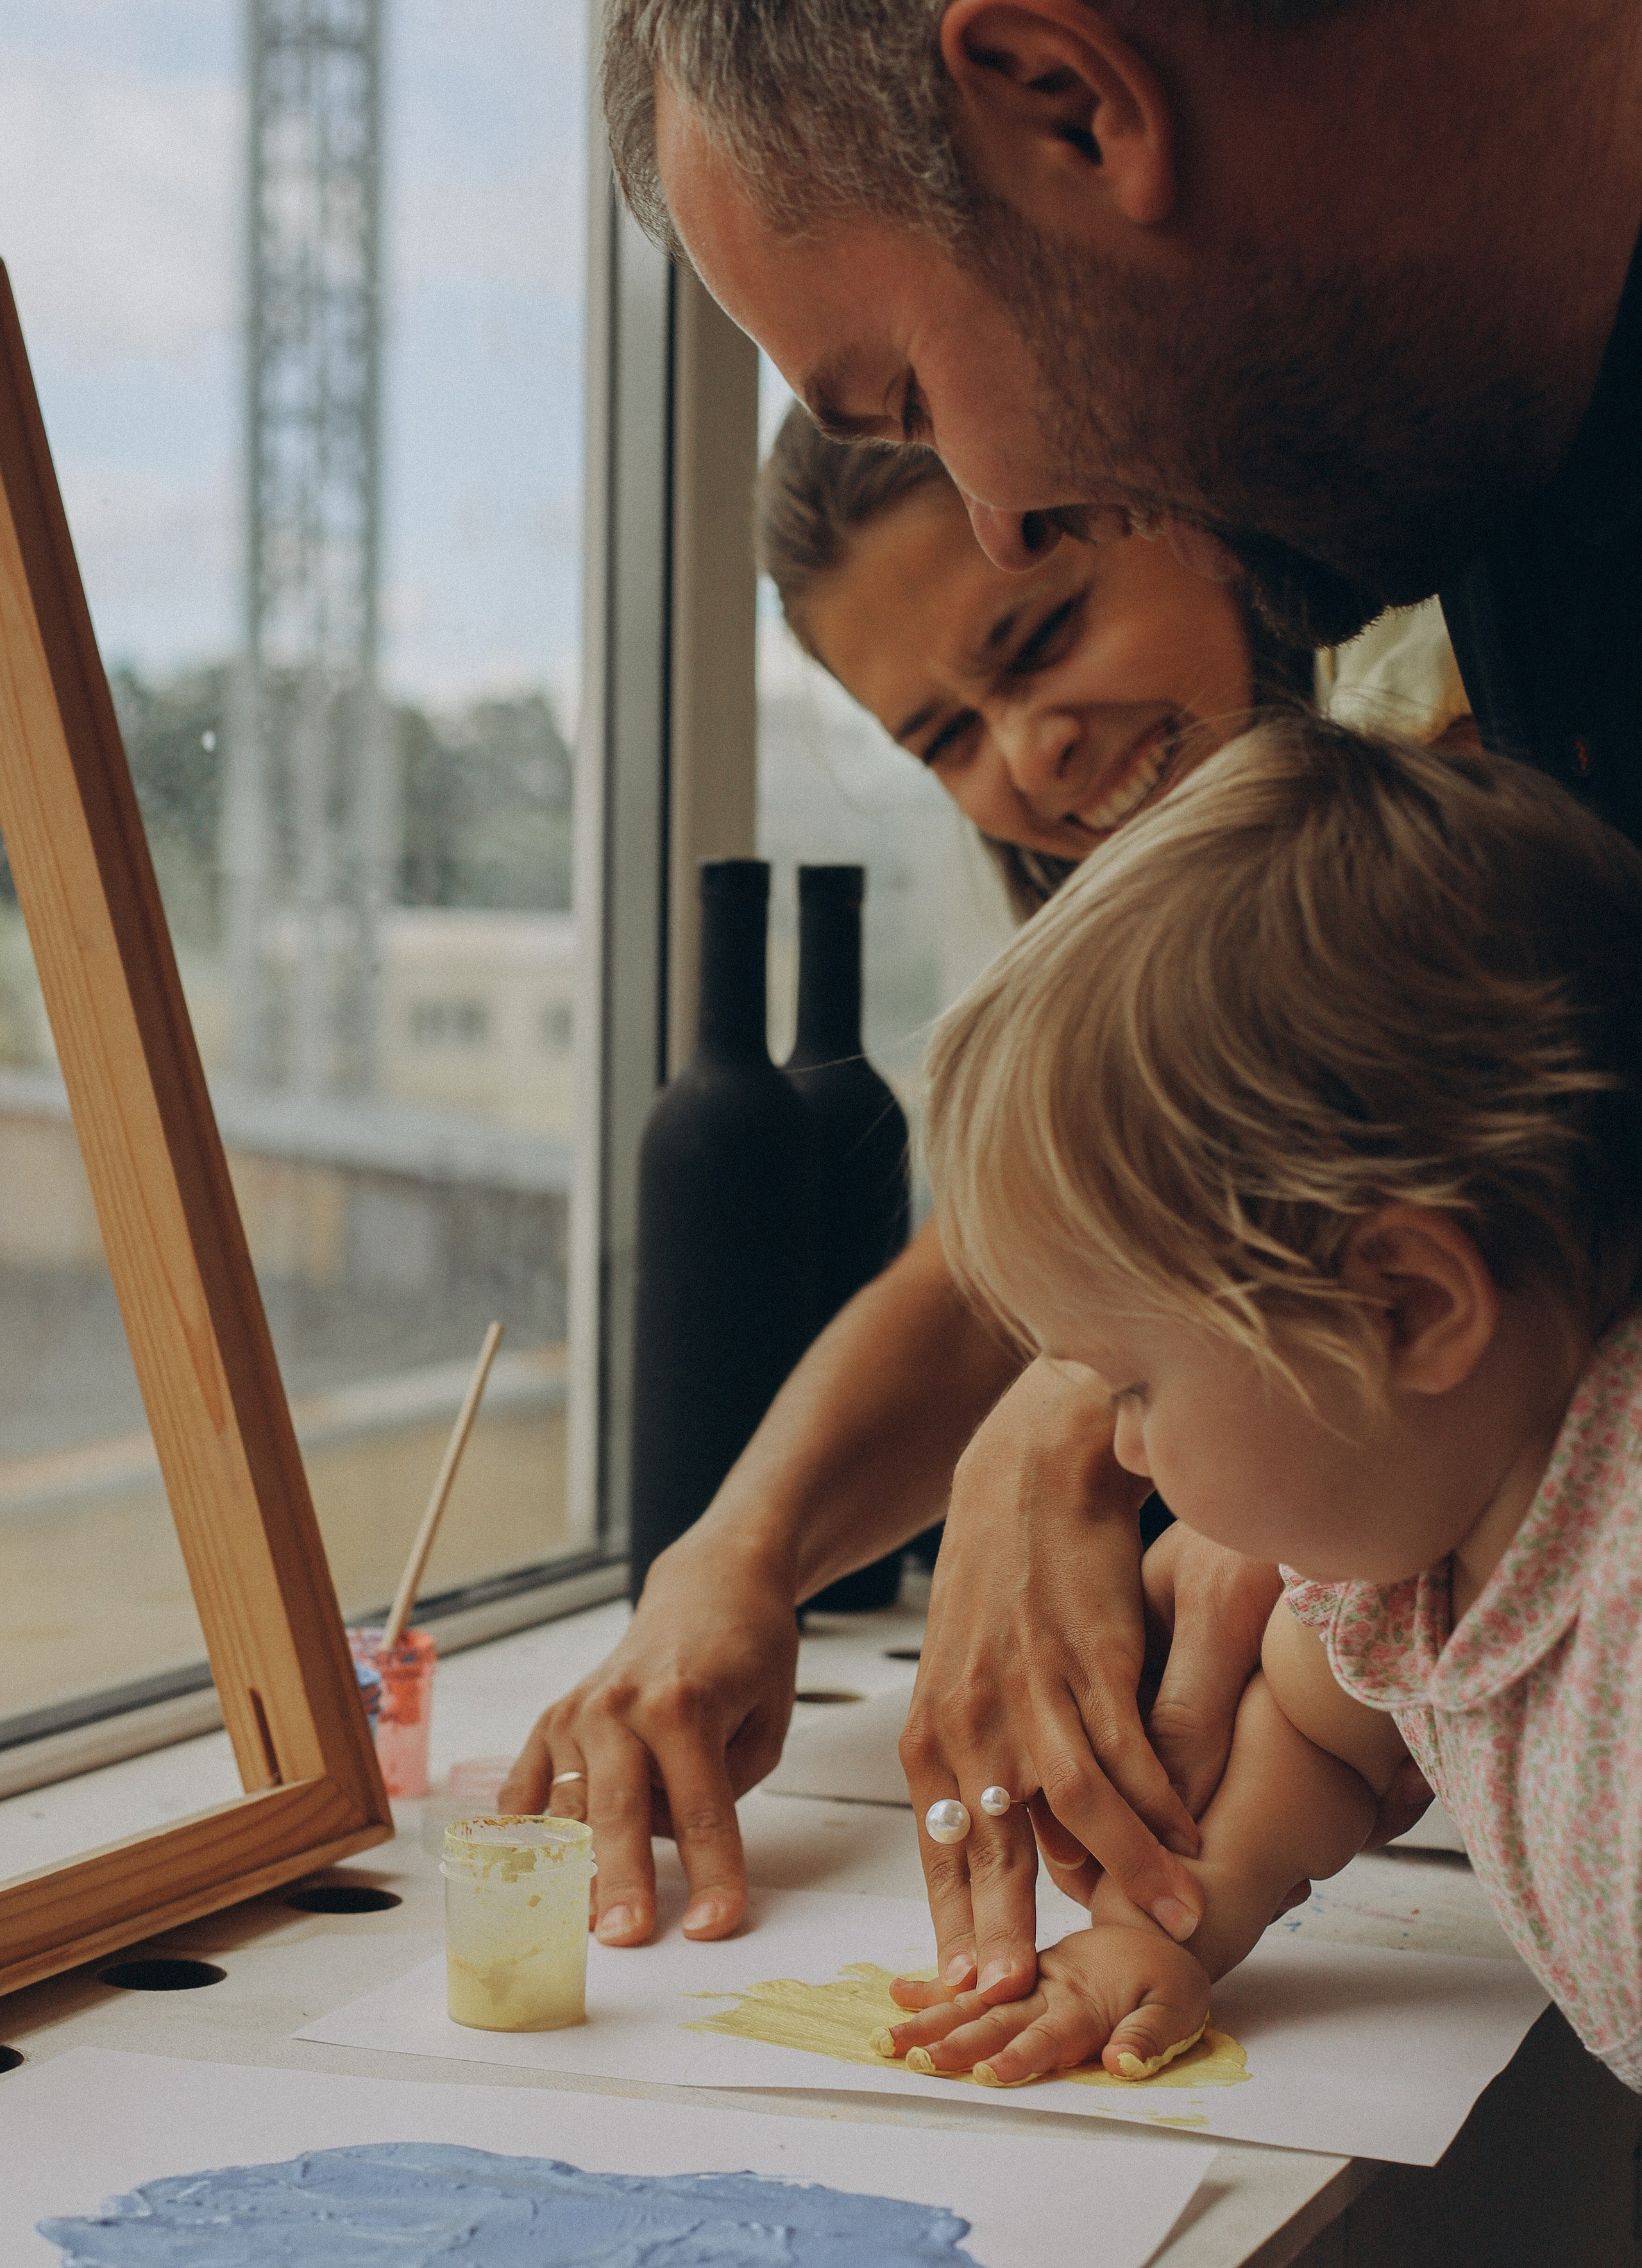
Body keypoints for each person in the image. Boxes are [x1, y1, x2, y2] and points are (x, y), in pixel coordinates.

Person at [503, 409, 1462, 1980]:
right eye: (943, 737)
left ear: (1190, 506)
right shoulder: (1146, 943)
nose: (1024, 757)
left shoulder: (1454, 763)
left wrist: (1072, 1411)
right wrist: (730, 1555)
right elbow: (986, 1275)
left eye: (1036, 637)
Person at [884, 718, 1642, 2090]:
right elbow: (1311, 1741)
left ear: (1406, 1308)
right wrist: (1160, 1927)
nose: (1116, 1445)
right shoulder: (1409, 1555)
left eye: (1131, 1382)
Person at [605, 0, 1642, 835]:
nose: (1004, 529)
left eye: (911, 402)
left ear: (1067, 104)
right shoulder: (1478, 474)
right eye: (940, 740)